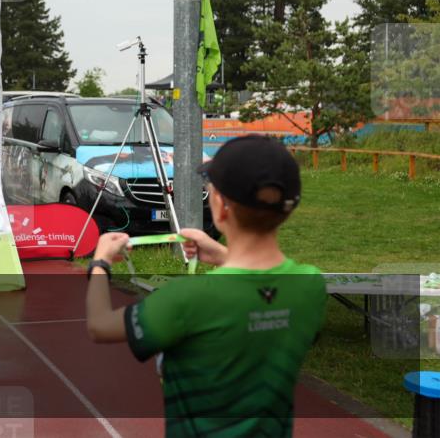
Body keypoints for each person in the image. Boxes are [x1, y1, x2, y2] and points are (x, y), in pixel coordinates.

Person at [85, 135, 326, 437]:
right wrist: (225, 255)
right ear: (288, 208)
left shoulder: (186, 298)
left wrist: (100, 262)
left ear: (221, 208)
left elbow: (99, 326)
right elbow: (259, 292)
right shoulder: (310, 285)